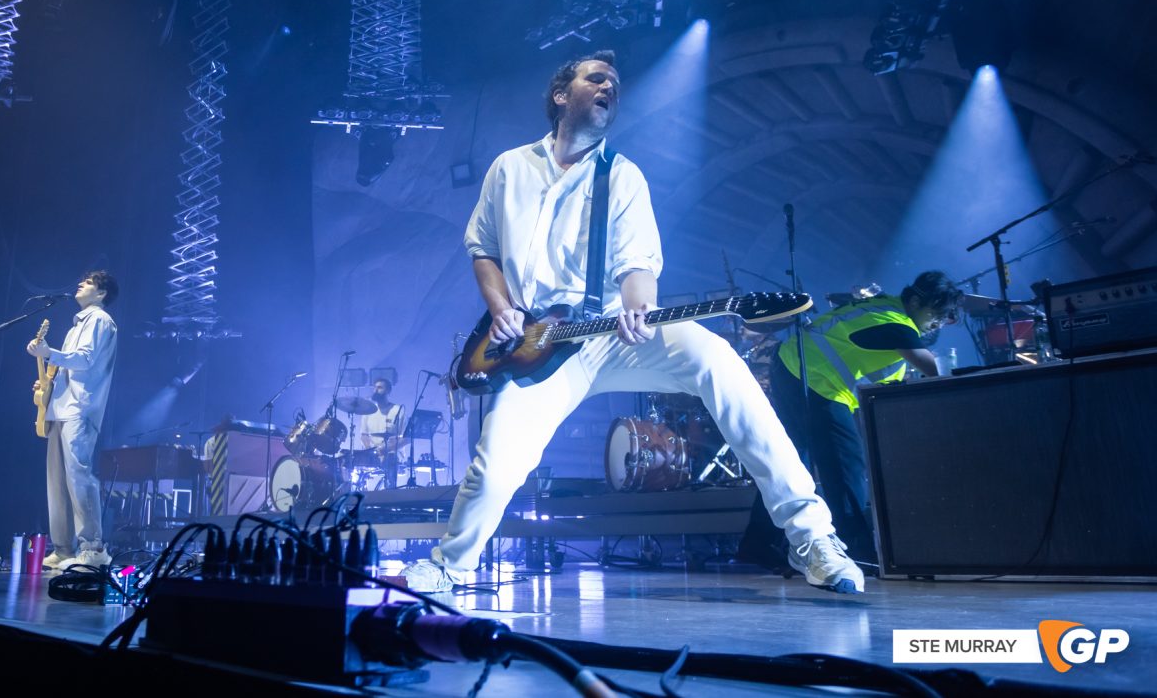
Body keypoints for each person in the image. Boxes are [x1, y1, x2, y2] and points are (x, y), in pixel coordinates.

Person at [401, 51, 864, 594]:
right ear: (560, 95)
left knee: (717, 359)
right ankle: (452, 565)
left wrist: (638, 307)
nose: (609, 88)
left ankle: (812, 537)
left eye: (615, 85)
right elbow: (482, 248)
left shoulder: (621, 175)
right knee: (497, 462)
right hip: (536, 345)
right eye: (596, 78)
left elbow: (637, 264)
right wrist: (502, 308)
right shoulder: (509, 168)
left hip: (609, 332)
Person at [736, 271, 962, 570]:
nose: (939, 322)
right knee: (845, 464)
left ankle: (757, 543)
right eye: (937, 313)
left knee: (791, 464)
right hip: (814, 378)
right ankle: (856, 548)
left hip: (795, 367)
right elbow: (930, 366)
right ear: (916, 302)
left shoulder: (884, 306)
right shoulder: (894, 322)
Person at [26, 270, 119, 571]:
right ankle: (63, 548)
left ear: (101, 293)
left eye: (89, 282)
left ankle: (93, 548)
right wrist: (47, 384)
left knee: (79, 476)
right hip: (60, 407)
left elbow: (85, 360)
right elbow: (67, 367)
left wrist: (49, 353)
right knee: (57, 482)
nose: (80, 284)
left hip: (81, 408)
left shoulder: (99, 320)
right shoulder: (75, 326)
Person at [356, 377, 405, 488]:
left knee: (390, 462)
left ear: (388, 391)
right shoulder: (367, 410)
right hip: (372, 453)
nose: (376, 390)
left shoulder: (398, 410)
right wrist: (370, 451)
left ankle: (390, 491)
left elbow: (405, 439)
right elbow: (364, 435)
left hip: (391, 454)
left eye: (380, 387)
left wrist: (385, 450)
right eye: (375, 387)